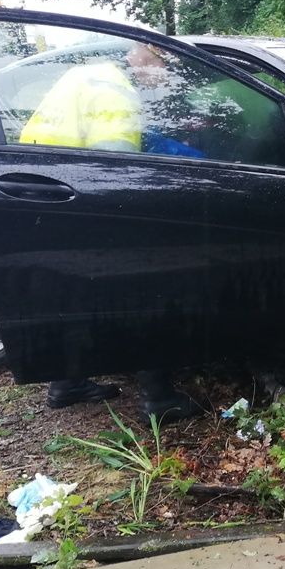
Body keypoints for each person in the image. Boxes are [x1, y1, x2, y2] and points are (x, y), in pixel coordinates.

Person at [23, 39, 201, 423]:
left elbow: (130, 139)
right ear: (144, 58)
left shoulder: (90, 77)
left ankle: (66, 383)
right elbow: (116, 171)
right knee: (141, 291)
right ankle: (158, 397)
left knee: (77, 293)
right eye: (163, 67)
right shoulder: (118, 94)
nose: (163, 78)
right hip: (84, 201)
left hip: (46, 195)